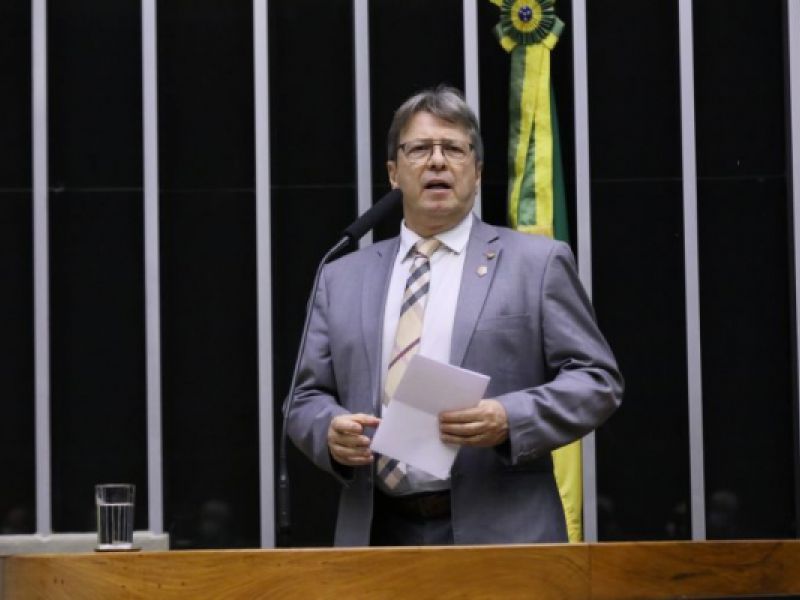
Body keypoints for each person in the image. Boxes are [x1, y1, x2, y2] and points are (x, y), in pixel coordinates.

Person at [286, 85, 623, 546]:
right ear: (393, 172)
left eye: (454, 149)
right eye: (419, 149)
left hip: (502, 533)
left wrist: (509, 417)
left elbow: (597, 380)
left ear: (477, 172)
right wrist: (328, 431)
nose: (437, 162)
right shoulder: (340, 276)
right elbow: (304, 397)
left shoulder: (536, 264)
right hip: (377, 533)